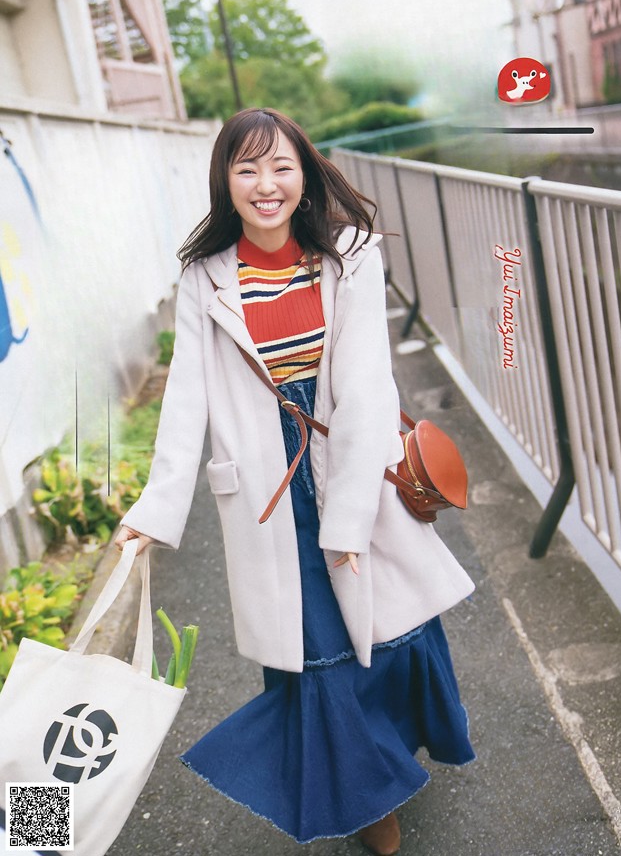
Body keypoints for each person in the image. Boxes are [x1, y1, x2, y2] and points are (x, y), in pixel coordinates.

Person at [115, 107, 475, 855]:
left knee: (387, 624)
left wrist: (345, 523)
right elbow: (187, 397)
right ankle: (368, 797)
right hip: (263, 487)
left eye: (280, 166)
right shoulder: (205, 274)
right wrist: (154, 510)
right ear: (226, 182)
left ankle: (385, 755)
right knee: (314, 646)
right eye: (246, 169)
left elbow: (370, 389)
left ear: (304, 173)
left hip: (347, 460)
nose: (265, 184)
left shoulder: (348, 255)